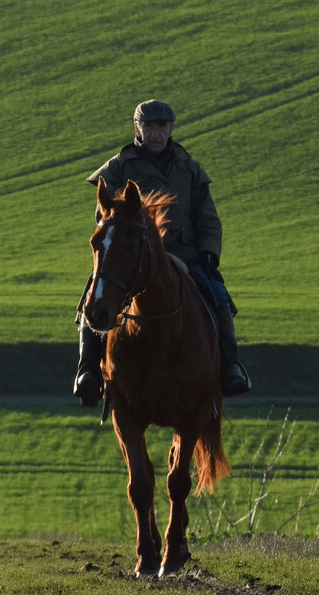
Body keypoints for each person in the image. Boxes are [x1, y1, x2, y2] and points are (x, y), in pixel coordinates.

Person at [73, 98, 250, 405]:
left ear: (171, 129)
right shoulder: (118, 167)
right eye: (148, 126)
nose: (155, 133)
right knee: (94, 294)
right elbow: (104, 214)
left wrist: (208, 253)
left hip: (185, 255)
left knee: (218, 295)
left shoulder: (191, 169)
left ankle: (230, 367)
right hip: (131, 257)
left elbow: (208, 219)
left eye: (161, 127)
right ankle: (87, 371)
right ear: (137, 129)